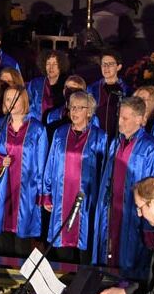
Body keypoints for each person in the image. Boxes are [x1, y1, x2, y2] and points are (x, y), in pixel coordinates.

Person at [95, 97, 154, 280]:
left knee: (131, 265)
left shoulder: (151, 149)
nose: (119, 121)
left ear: (139, 119)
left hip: (134, 216)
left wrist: (150, 228)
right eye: (119, 116)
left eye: (125, 118)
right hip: (112, 212)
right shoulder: (115, 142)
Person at [40, 91, 109, 264]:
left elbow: (105, 172)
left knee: (84, 243)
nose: (75, 111)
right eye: (72, 107)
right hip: (61, 198)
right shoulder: (59, 133)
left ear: (89, 112)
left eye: (80, 108)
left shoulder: (100, 137)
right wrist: (46, 193)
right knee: (62, 246)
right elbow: (51, 164)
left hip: (86, 200)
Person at [0, 86, 47, 257]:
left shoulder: (37, 129)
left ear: (24, 101)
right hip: (2, 190)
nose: (11, 102)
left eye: (15, 98)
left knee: (22, 245)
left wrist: (42, 194)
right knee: (2, 243)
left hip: (26, 191)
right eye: (7, 99)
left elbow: (42, 163)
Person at [88, 50, 130, 137]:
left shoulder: (127, 90)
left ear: (118, 67)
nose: (106, 67)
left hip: (118, 135)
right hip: (96, 134)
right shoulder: (92, 88)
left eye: (110, 64)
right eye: (103, 64)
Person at [27, 49, 69, 121]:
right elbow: (27, 104)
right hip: (37, 125)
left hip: (59, 125)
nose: (51, 67)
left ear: (60, 66)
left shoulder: (67, 84)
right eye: (48, 64)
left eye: (55, 64)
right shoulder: (35, 83)